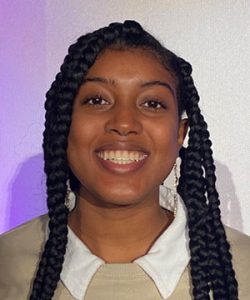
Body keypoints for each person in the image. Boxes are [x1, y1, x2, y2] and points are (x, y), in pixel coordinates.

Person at [0, 20, 249, 300]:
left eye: (152, 103)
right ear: (64, 124)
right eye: (97, 100)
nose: (124, 123)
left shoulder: (243, 269)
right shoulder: (6, 264)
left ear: (180, 134)